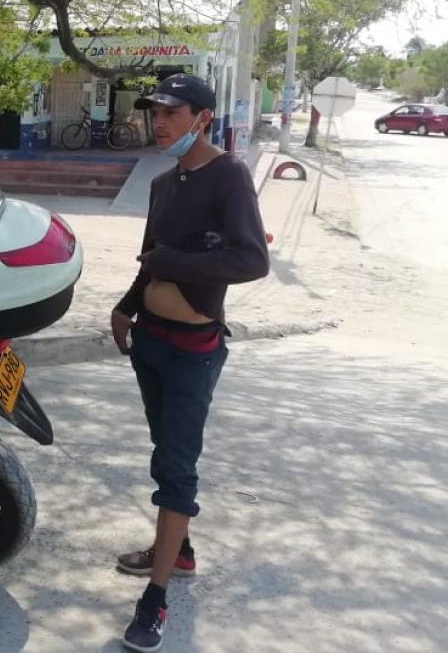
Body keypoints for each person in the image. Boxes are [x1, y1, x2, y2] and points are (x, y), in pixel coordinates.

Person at [109, 73, 269, 653]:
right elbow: (150, 261)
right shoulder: (162, 182)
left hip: (192, 348)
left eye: (172, 114)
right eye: (155, 113)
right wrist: (126, 307)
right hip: (149, 341)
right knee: (165, 452)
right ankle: (180, 551)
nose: (160, 123)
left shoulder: (229, 175)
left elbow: (251, 259)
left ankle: (153, 603)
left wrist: (176, 262)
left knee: (177, 466)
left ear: (202, 117)